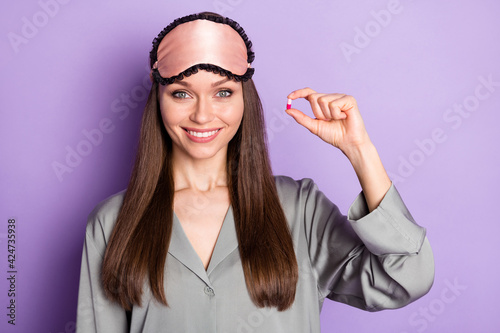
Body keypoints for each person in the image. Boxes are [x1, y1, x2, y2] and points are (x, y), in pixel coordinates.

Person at [76, 11, 434, 333]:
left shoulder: (300, 209)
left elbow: (407, 278)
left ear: (245, 99)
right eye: (182, 94)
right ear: (159, 100)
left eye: (223, 93)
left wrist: (360, 151)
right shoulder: (112, 223)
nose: (203, 115)